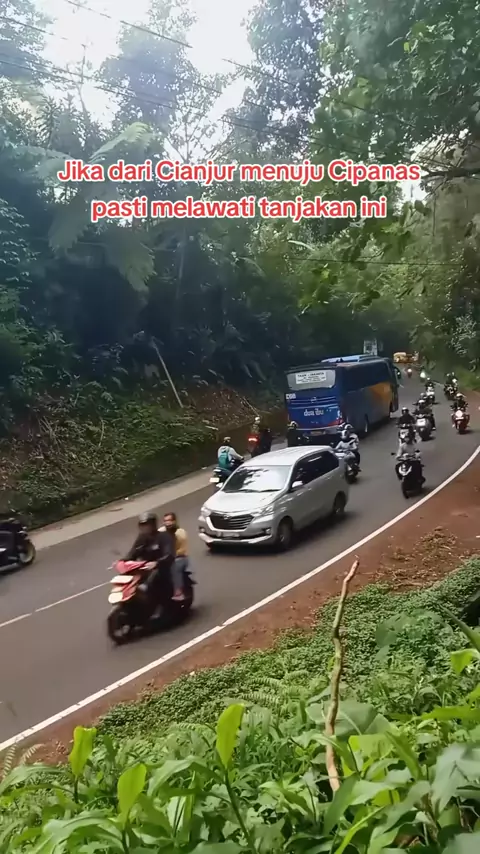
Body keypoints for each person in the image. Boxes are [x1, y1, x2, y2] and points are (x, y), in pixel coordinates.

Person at [125, 512, 175, 610]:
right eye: (143, 525)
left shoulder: (164, 536)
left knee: (154, 575)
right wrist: (123, 561)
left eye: (147, 525)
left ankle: (157, 604)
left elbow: (169, 554)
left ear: (153, 525)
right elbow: (133, 552)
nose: (145, 528)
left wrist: (157, 563)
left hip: (162, 568)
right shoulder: (141, 539)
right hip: (144, 568)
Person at [161, 511, 188, 602]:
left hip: (179, 557)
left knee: (175, 566)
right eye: (165, 521)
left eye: (170, 520)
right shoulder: (161, 531)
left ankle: (178, 592)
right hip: (165, 558)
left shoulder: (181, 533)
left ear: (175, 521)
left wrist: (171, 556)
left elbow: (182, 550)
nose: (168, 523)